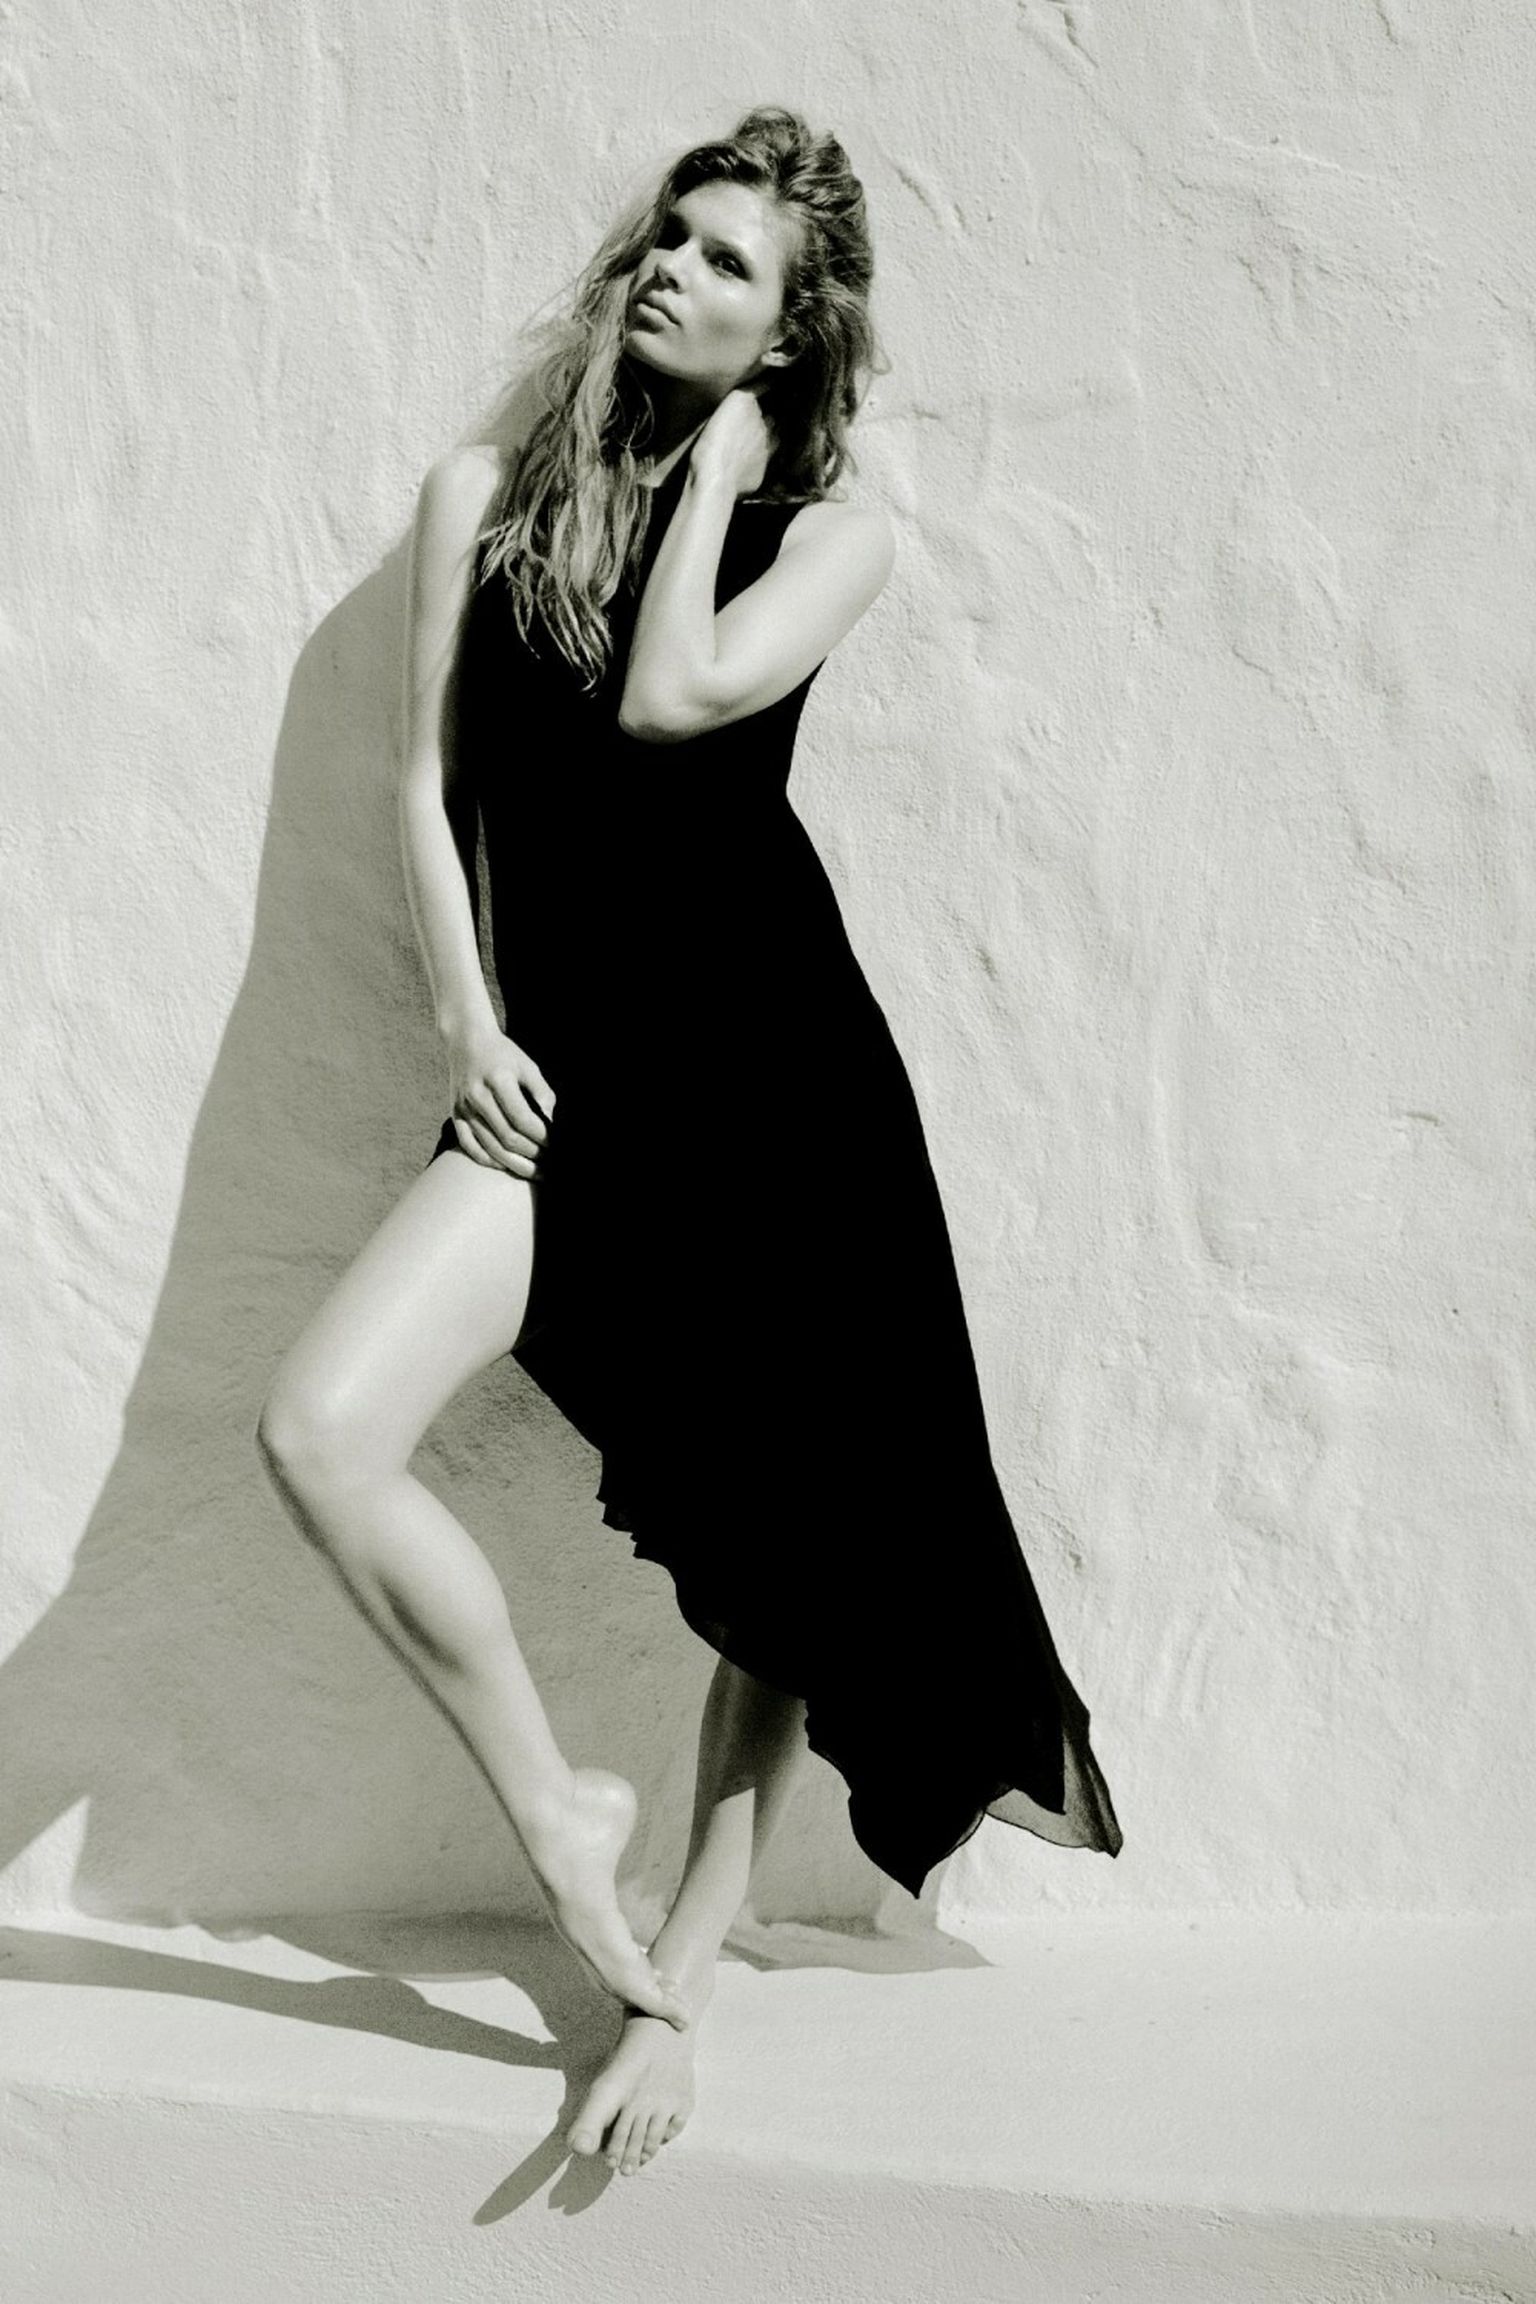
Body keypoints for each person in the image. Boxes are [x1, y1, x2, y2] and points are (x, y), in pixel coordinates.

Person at [257, 104, 1122, 2180]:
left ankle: (679, 1982)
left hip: (776, 1107)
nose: (675, 269)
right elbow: (429, 790)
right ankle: (559, 1812)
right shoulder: (481, 494)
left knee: (790, 1572)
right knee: (318, 1430)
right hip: (557, 1087)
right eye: (673, 234)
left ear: (791, 332)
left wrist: (721, 475)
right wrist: (469, 1024)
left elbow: (669, 704)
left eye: (731, 262)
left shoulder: (832, 537)